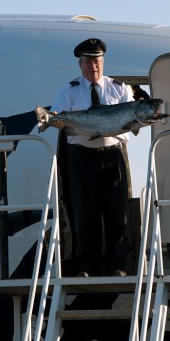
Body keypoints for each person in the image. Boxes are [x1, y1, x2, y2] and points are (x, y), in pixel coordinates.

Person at [51, 38, 134, 277]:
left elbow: (130, 119)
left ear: (103, 62)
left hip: (113, 156)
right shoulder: (69, 90)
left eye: (97, 61)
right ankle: (86, 266)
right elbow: (59, 119)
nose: (93, 67)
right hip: (81, 157)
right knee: (85, 214)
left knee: (116, 213)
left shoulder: (119, 88)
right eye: (88, 61)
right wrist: (53, 119)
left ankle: (117, 265)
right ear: (80, 64)